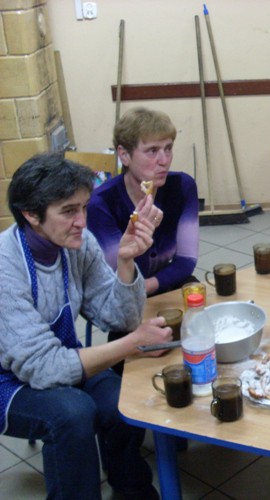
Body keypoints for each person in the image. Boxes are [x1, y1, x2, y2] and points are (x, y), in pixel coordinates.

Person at [0, 153, 173, 499]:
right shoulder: (6, 266)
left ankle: (131, 490)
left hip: (58, 359)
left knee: (120, 400)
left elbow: (120, 319)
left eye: (83, 207)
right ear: (31, 214)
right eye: (68, 211)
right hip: (9, 380)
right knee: (73, 415)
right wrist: (131, 344)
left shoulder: (77, 244)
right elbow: (44, 368)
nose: (81, 221)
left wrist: (126, 261)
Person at [87, 107, 199, 374]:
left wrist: (148, 285)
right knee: (134, 369)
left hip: (164, 285)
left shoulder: (182, 187)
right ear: (124, 155)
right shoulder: (101, 204)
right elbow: (119, 280)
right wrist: (139, 290)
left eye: (168, 148)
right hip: (124, 303)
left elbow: (186, 261)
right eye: (152, 151)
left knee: (201, 326)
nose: (164, 160)